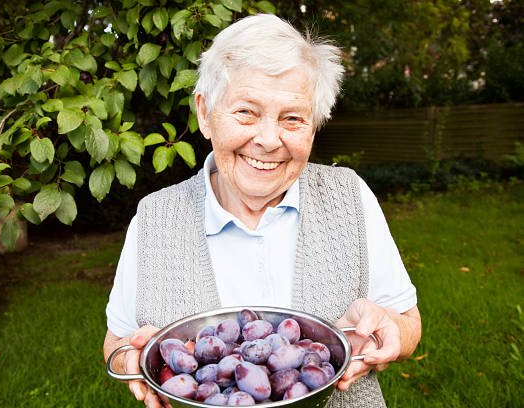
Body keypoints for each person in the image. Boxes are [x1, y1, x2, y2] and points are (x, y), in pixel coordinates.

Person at [103, 13, 421, 408]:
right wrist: (136, 356)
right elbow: (116, 339)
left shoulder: (349, 196)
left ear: (314, 125)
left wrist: (388, 329)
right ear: (205, 113)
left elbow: (409, 324)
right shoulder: (154, 218)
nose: (269, 140)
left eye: (292, 118)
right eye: (246, 113)